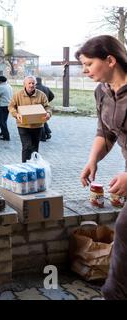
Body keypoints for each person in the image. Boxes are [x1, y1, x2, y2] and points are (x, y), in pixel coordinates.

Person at [76, 35, 127, 300]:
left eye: (88, 64)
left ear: (110, 59)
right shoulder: (102, 92)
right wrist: (92, 160)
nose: (85, 70)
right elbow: (105, 132)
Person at [8, 75, 52, 162]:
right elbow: (11, 107)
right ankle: (25, 166)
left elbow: (48, 107)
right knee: (27, 146)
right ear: (24, 84)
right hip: (23, 125)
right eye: (29, 83)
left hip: (38, 126)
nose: (31, 85)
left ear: (35, 84)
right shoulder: (18, 95)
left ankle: (34, 166)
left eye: (33, 83)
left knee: (35, 147)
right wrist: (16, 114)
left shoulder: (41, 95)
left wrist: (48, 114)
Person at [0, 75, 13, 141]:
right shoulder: (9, 86)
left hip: (3, 106)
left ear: (0, 81)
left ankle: (6, 136)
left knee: (1, 121)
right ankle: (2, 132)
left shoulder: (0, 87)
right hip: (8, 105)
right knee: (4, 120)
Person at [35, 77, 54, 141]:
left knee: (40, 122)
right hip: (45, 106)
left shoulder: (35, 88)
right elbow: (52, 96)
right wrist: (47, 101)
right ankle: (48, 133)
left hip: (37, 106)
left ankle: (42, 137)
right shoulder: (46, 88)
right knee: (43, 119)